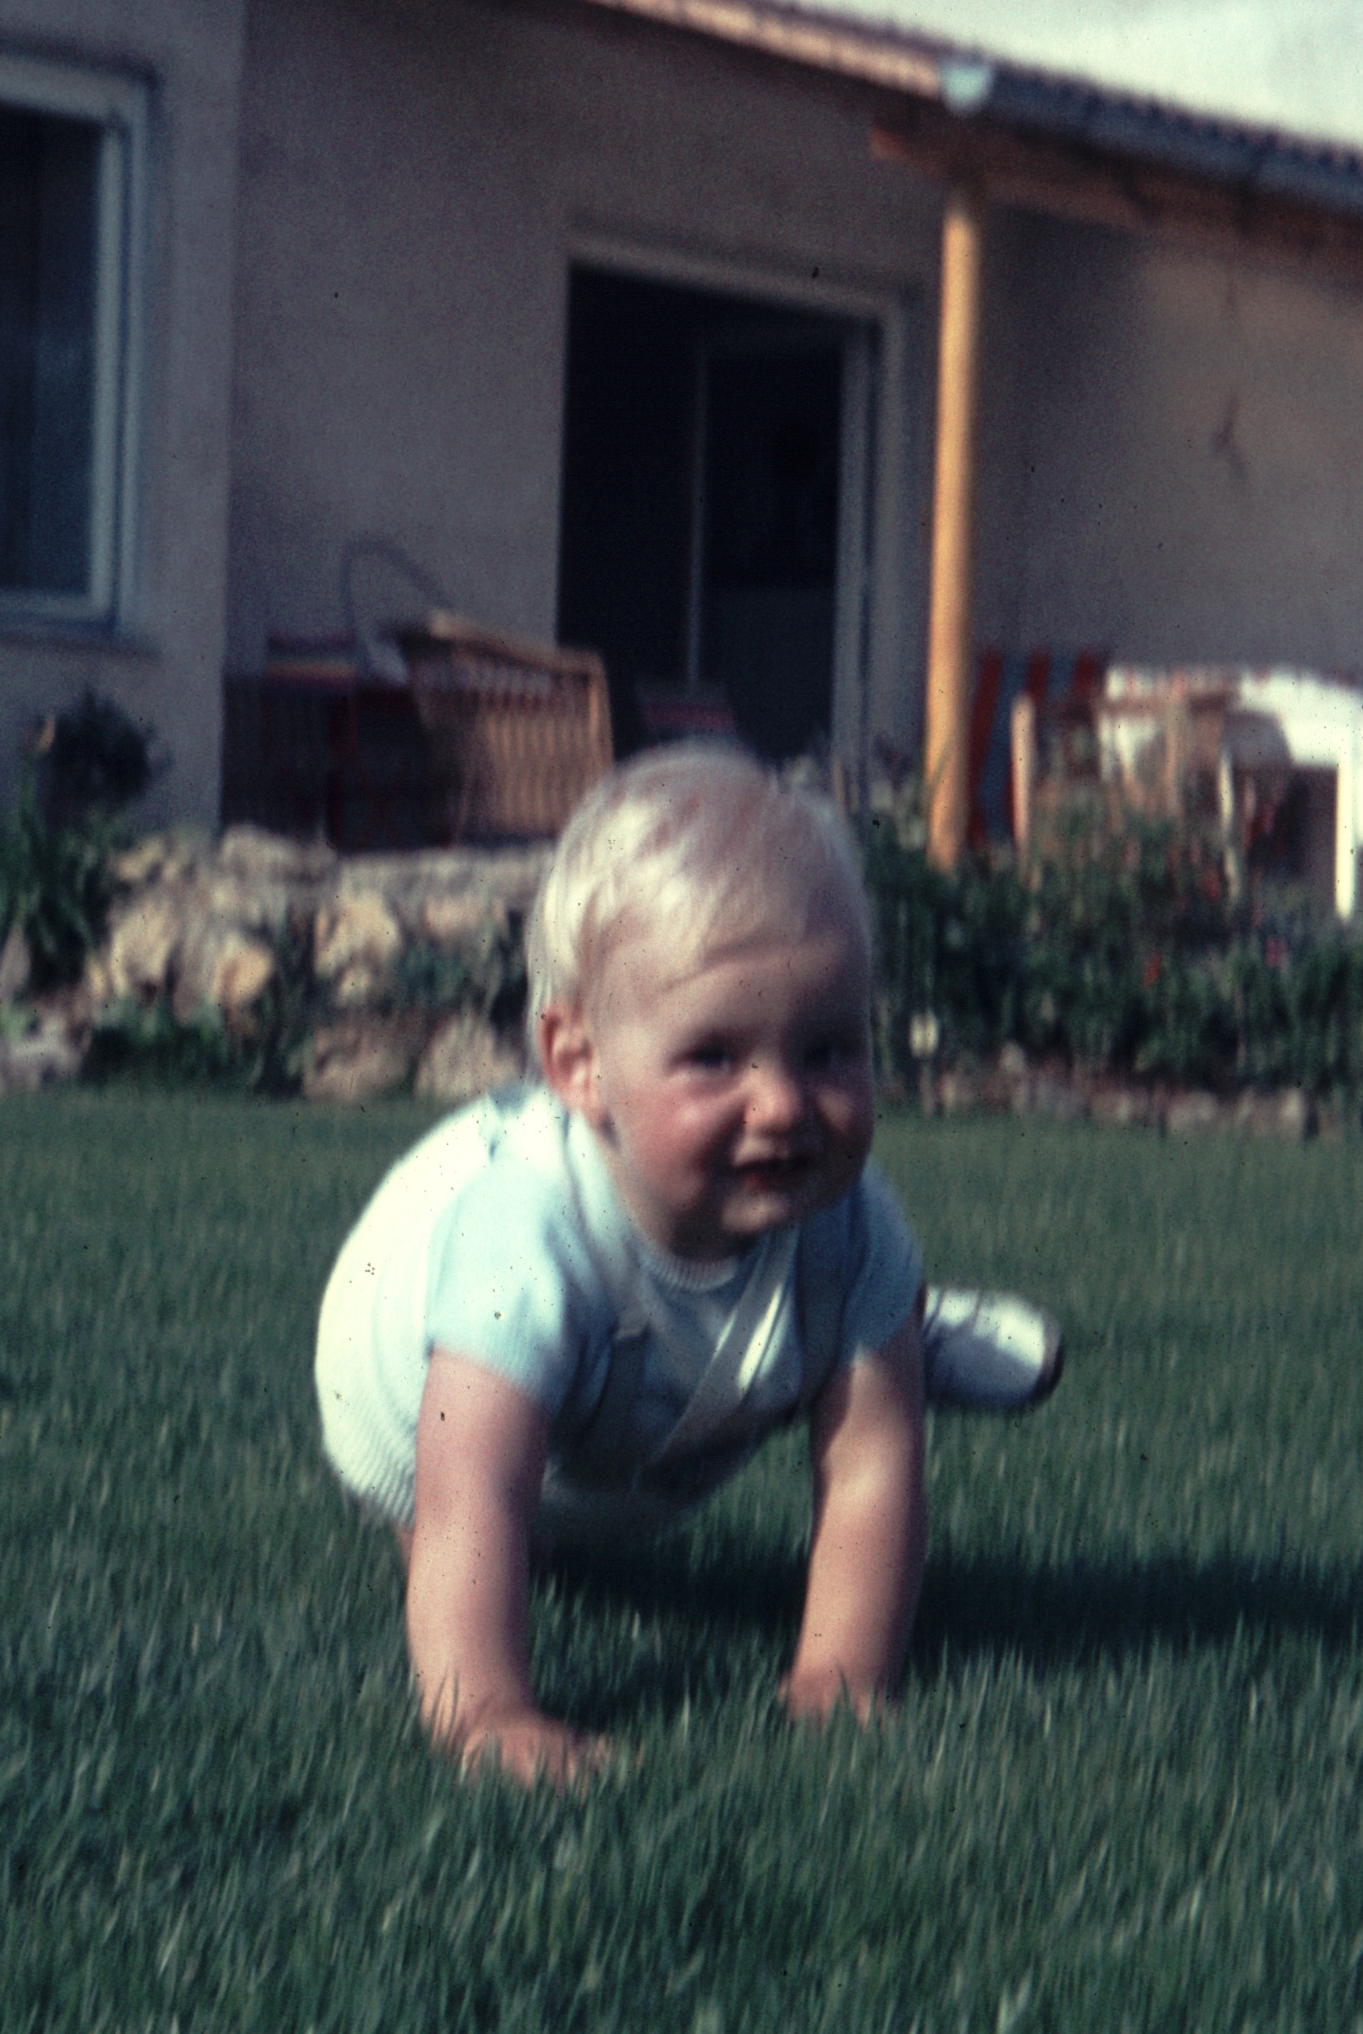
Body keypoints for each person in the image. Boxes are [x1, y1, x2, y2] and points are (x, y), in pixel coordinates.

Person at [314, 742, 1063, 1786]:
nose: (784, 1104)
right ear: (580, 1065)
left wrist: (839, 1680)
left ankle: (891, 1331)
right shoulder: (523, 1240)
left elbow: (870, 1470)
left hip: (665, 1369)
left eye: (828, 1048)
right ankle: (900, 1331)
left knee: (853, 1324)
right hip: (412, 1406)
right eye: (715, 1056)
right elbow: (471, 1494)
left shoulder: (850, 1221)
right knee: (497, 1522)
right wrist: (486, 1709)